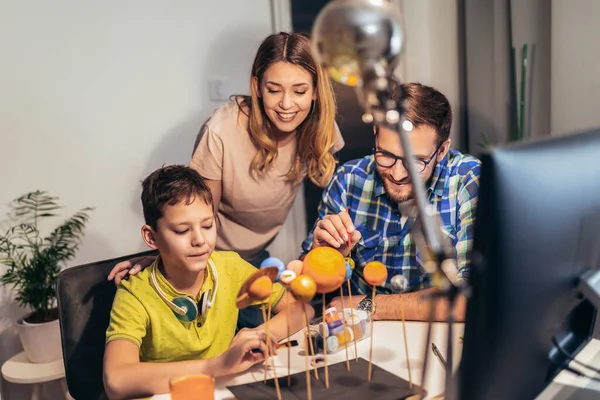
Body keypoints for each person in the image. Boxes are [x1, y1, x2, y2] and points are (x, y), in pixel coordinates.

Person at [108, 32, 343, 329]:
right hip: (210, 261)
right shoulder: (221, 130)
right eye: (274, 90)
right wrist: (162, 259)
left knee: (282, 333)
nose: (287, 104)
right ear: (257, 86)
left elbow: (341, 194)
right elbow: (196, 217)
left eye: (299, 91)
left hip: (257, 259)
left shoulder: (320, 127)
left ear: (315, 91)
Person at [103, 165, 312, 399]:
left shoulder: (231, 267)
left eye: (207, 225)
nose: (200, 240)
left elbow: (301, 308)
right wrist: (215, 365)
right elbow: (116, 380)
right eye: (182, 230)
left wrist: (259, 335)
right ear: (152, 237)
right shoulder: (135, 293)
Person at [300, 82, 481, 322]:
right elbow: (307, 289)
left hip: (433, 342)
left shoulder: (467, 181)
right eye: (385, 154)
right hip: (362, 343)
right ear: (375, 133)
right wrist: (324, 255)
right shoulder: (348, 180)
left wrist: (370, 305)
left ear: (441, 151)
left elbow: (471, 299)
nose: (397, 174)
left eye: (416, 161)